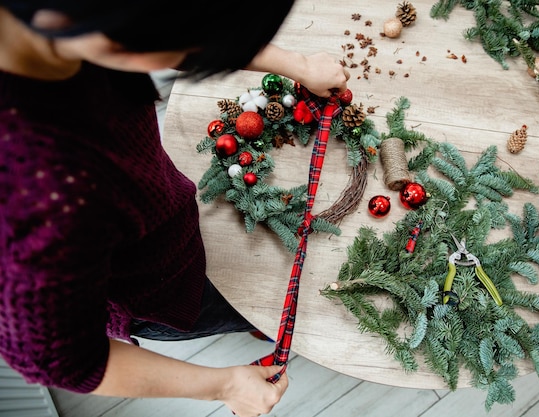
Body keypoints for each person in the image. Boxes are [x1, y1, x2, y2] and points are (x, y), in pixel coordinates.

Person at [0, 2, 350, 416]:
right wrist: (224, 384)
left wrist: (297, 64)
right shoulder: (40, 195)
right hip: (163, 288)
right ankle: (253, 324)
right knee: (234, 308)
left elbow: (172, 28)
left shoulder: (76, 32)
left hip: (161, 220)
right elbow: (58, 360)